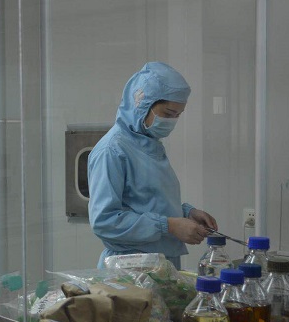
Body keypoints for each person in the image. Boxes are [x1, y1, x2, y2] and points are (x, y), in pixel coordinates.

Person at [87, 61, 217, 270]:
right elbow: (105, 221)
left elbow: (147, 200)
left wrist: (186, 213)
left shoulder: (148, 145)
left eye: (178, 115)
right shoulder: (112, 150)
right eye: (168, 113)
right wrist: (170, 225)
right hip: (129, 268)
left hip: (160, 265)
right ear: (142, 104)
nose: (172, 121)